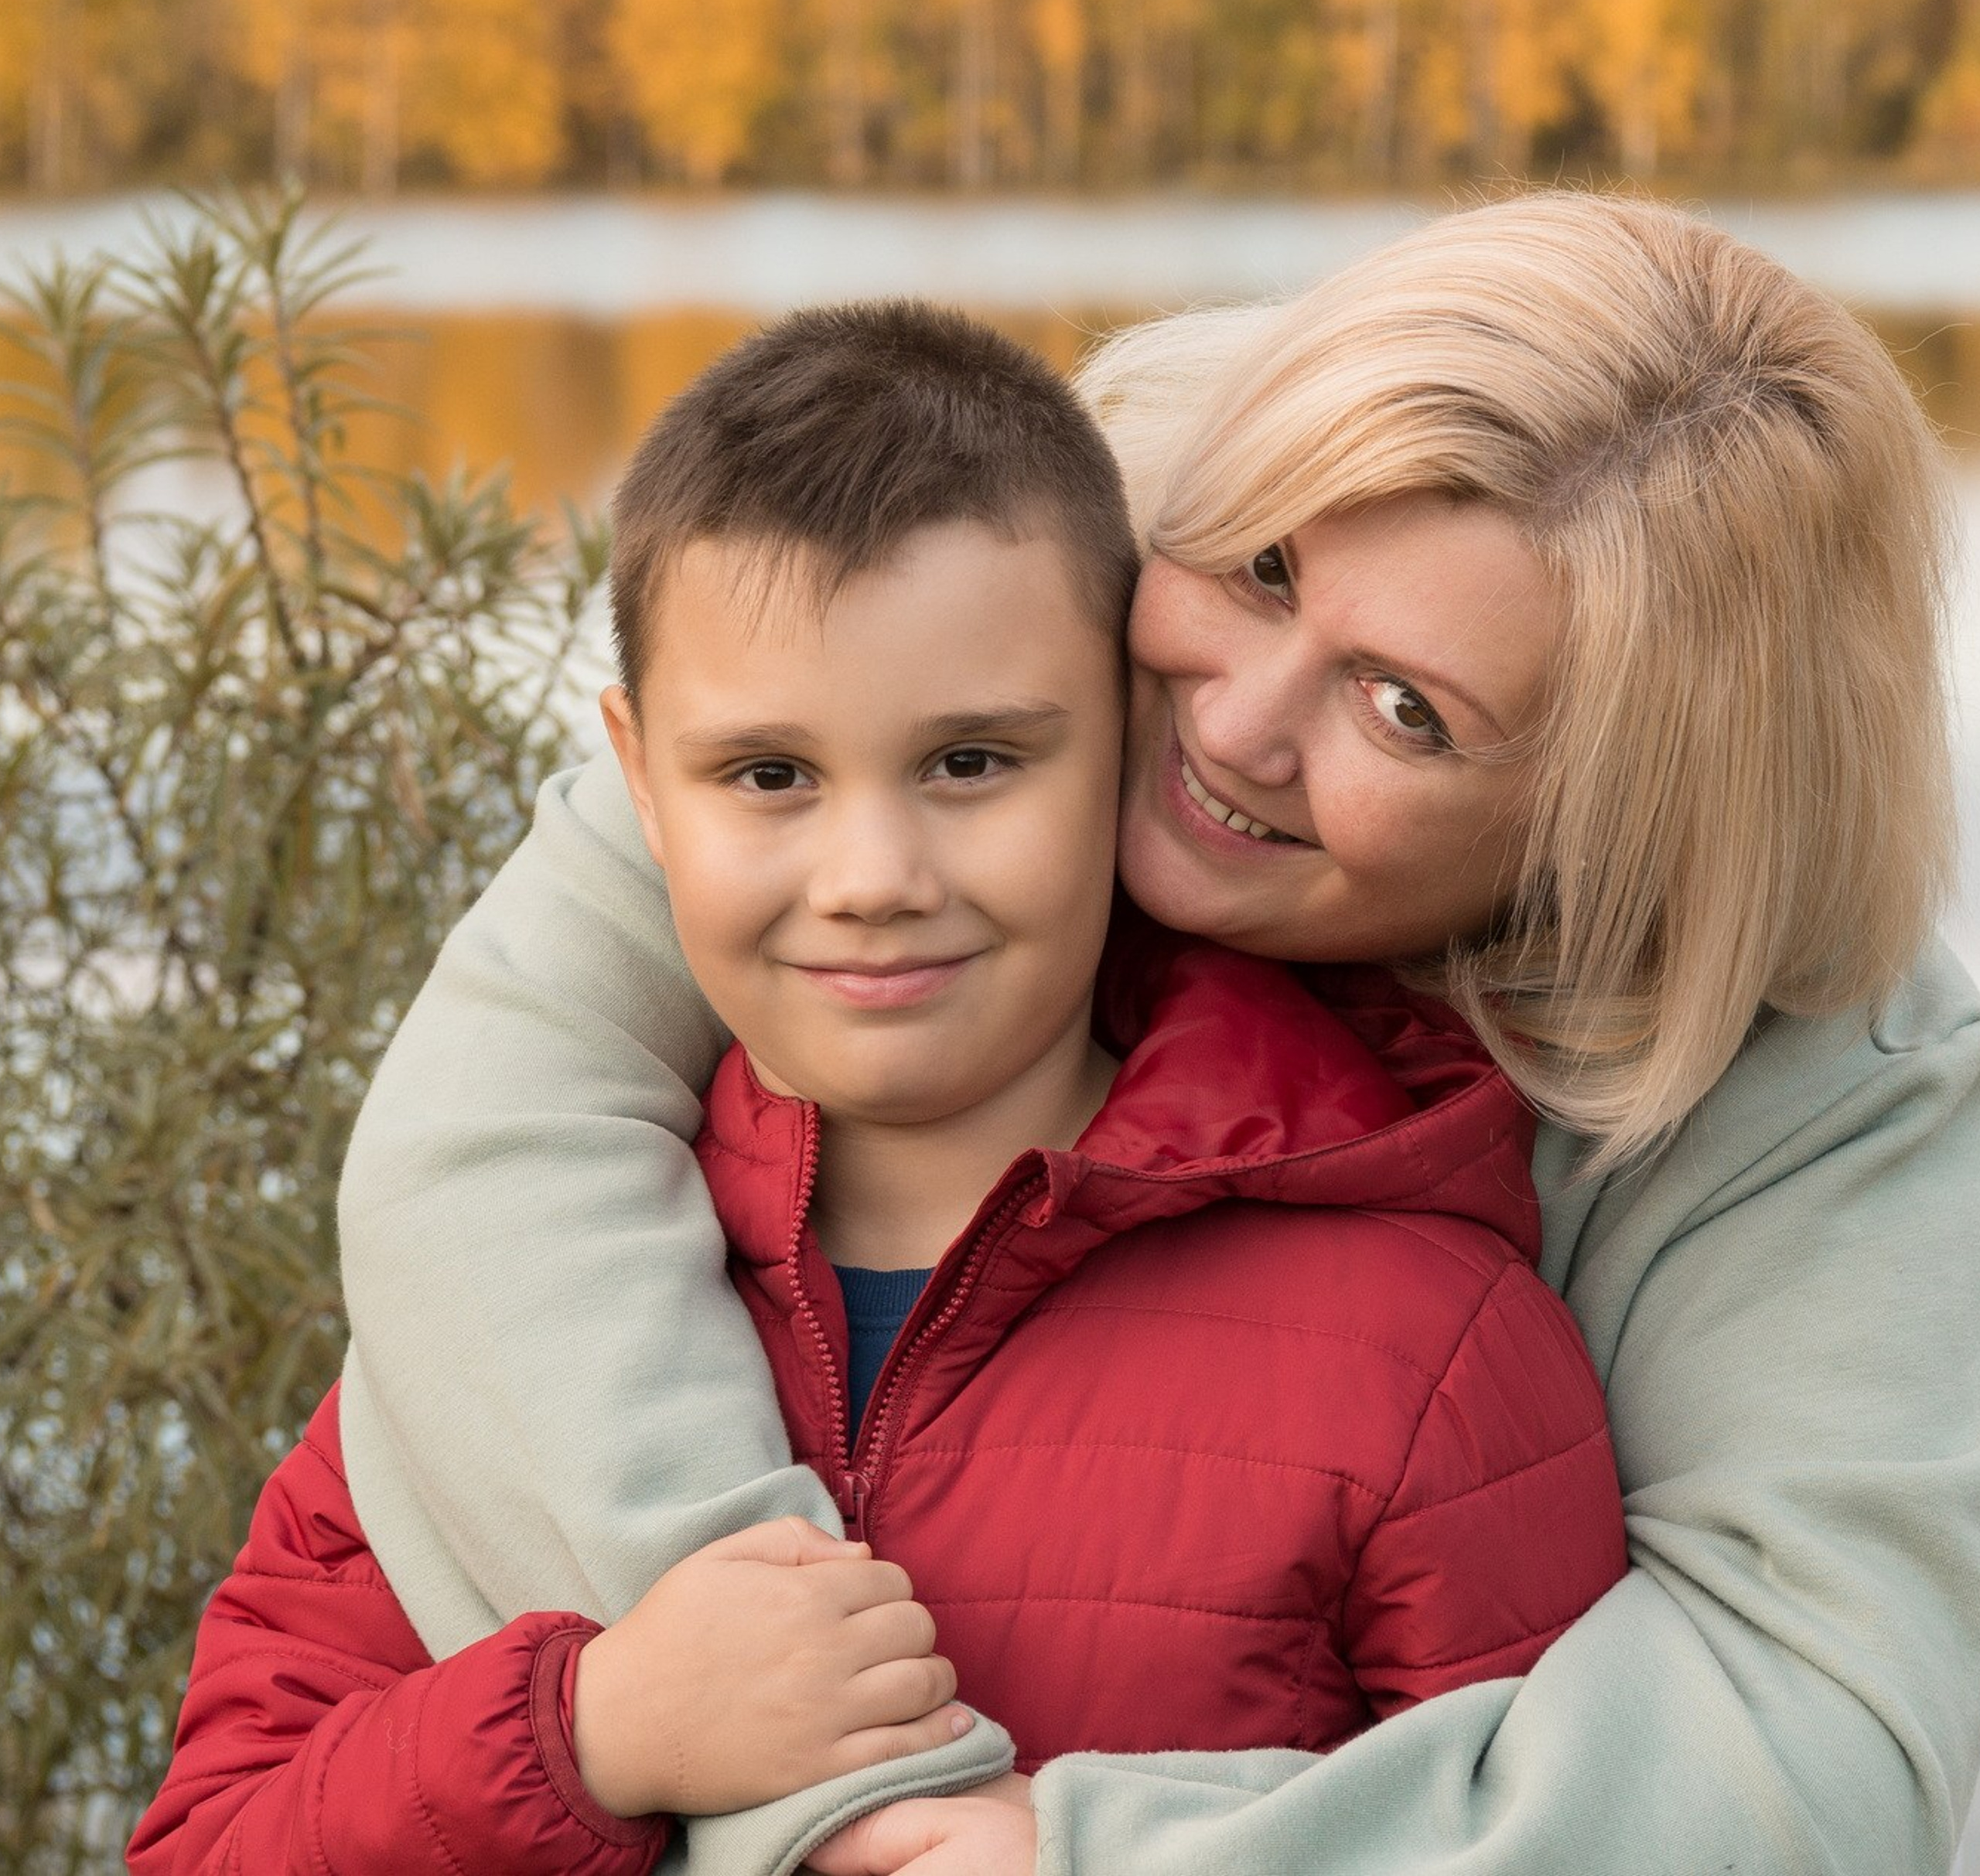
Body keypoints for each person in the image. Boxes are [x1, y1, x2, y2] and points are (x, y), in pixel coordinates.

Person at [332, 193, 1980, 1876]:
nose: (1229, 723)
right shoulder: (972, 621)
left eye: (1404, 709)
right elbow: (483, 1150)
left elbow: (1819, 1755)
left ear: (1609, 836)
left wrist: (1075, 1855)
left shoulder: (1816, 1081)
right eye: (1264, 568)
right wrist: (792, 1706)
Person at [128, 300, 1628, 1876]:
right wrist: (585, 1732)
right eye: (767, 774)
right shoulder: (508, 1308)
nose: (871, 878)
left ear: (1128, 738)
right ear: (637, 779)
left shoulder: (1422, 1350)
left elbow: (1562, 1833)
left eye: (971, 760)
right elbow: (210, 1843)